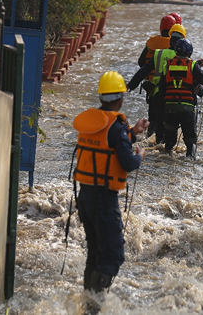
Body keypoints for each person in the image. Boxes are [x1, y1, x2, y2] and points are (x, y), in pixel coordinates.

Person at [73, 71, 149, 293]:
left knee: (95, 254)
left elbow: (107, 143)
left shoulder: (92, 122)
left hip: (85, 197)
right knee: (114, 255)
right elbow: (128, 162)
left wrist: (133, 131)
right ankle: (95, 304)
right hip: (104, 200)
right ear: (121, 98)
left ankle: (88, 302)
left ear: (100, 98)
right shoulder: (116, 127)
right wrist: (140, 156)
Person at [127, 23, 187, 144]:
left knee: (154, 123)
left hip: (156, 95)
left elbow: (142, 70)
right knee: (170, 128)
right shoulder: (185, 58)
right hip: (174, 97)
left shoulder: (159, 53)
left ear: (170, 39)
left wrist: (131, 85)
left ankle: (151, 143)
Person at [158, 38, 203, 159]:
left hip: (170, 107)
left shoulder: (167, 64)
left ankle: (166, 158)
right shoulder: (192, 65)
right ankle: (190, 160)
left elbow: (162, 88)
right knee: (190, 140)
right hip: (188, 108)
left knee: (169, 141)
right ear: (189, 53)